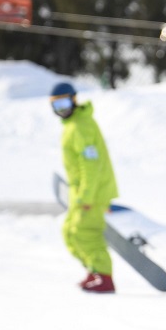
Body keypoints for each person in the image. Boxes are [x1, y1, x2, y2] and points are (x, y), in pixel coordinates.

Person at [50, 82, 119, 294]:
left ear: (73, 100)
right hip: (79, 193)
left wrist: (86, 196)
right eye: (56, 105)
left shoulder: (81, 126)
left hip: (93, 193)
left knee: (85, 232)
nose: (61, 109)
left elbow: (91, 165)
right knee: (69, 232)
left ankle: (105, 278)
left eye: (64, 103)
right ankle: (93, 269)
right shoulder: (71, 125)